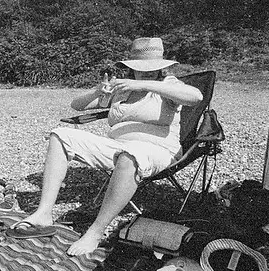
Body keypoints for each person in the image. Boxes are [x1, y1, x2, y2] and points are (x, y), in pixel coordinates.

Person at [14, 37, 203, 255]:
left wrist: (142, 84)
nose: (147, 72)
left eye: (152, 68)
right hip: (117, 145)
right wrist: (98, 92)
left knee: (130, 154)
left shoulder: (168, 84)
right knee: (61, 135)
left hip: (157, 150)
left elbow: (195, 97)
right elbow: (77, 105)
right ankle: (43, 213)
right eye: (141, 69)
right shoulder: (123, 88)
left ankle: (96, 231)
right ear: (132, 67)